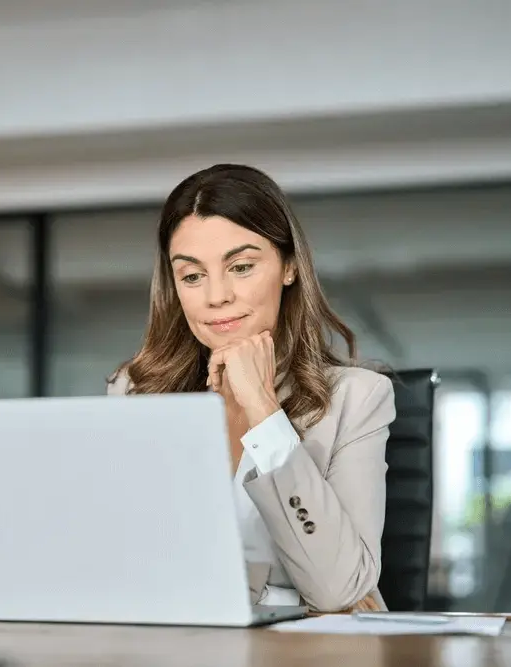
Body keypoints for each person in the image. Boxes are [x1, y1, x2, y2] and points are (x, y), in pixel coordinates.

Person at [107, 164, 395, 613]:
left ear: (289, 268)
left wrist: (264, 411)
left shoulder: (358, 399)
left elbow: (337, 588)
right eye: (192, 275)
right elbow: (119, 559)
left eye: (241, 267)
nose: (216, 295)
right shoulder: (135, 392)